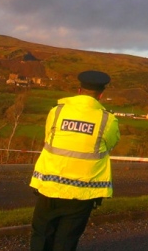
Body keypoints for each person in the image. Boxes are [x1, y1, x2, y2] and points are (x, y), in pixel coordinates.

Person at [30, 70, 120, 251]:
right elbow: (111, 144)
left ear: (79, 91)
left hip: (49, 185)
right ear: (100, 95)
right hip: (82, 192)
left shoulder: (57, 112)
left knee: (41, 235)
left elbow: (49, 138)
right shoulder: (107, 120)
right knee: (66, 240)